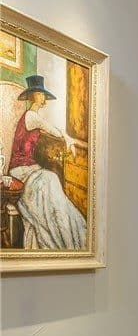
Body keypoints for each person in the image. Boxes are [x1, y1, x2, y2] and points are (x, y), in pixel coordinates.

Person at [6, 75, 86, 249]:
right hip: (20, 171)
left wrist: (67, 138)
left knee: (52, 182)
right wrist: (67, 138)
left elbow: (50, 130)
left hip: (30, 169)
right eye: (40, 94)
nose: (43, 97)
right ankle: (65, 238)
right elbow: (53, 130)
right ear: (32, 96)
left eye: (43, 94)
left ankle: (70, 236)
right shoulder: (31, 116)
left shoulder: (34, 118)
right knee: (51, 180)